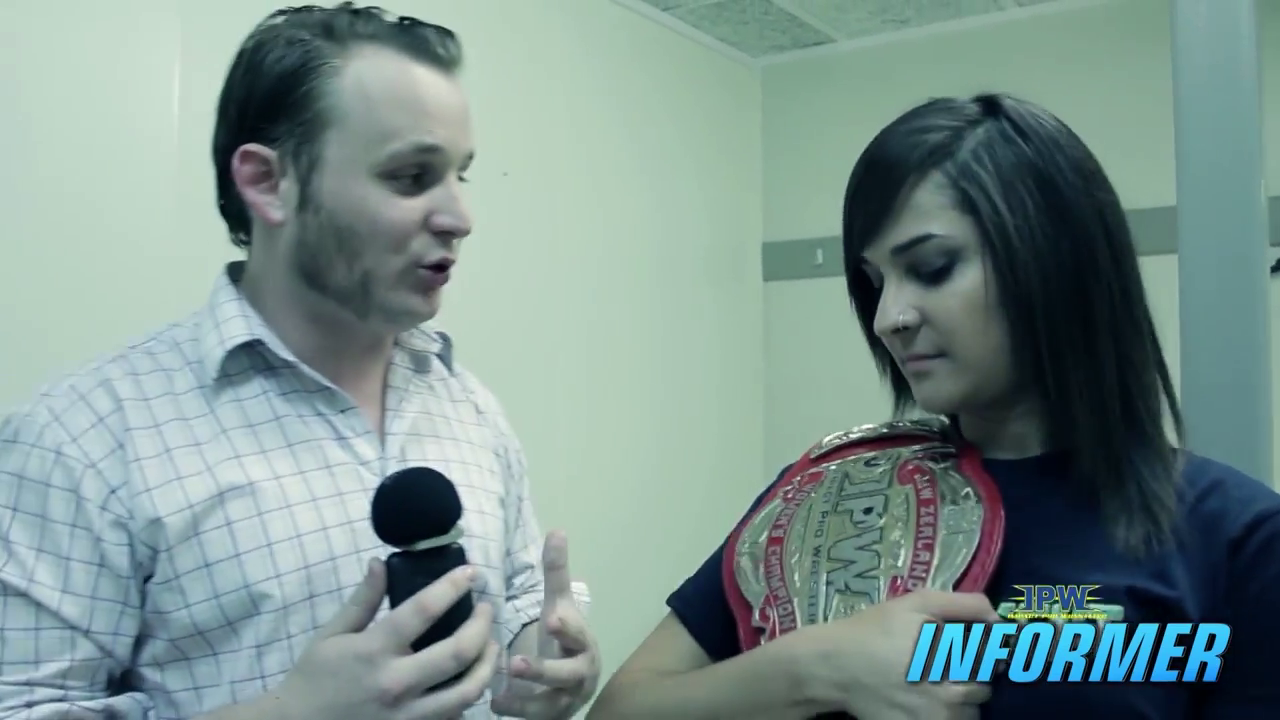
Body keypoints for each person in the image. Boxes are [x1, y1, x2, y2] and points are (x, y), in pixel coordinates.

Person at [587, 92, 1280, 720]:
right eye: (874, 282)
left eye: (932, 268)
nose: (888, 317)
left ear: (1052, 259)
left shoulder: (1242, 538)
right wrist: (817, 668)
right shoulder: (833, 494)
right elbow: (621, 709)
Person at [0, 4, 600, 719]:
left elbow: (520, 604)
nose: (459, 218)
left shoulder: (470, 408)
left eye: (458, 176)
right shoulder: (81, 441)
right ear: (267, 182)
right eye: (411, 176)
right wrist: (293, 711)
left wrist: (540, 661)